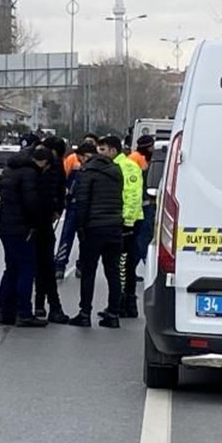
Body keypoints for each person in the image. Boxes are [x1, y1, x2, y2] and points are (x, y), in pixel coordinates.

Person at [71, 137, 125, 328]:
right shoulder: (116, 170)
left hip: (93, 228)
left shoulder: (88, 172)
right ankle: (113, 314)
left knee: (88, 272)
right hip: (114, 226)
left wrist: (80, 228)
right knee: (113, 271)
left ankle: (85, 313)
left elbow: (82, 203)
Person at [0, 145, 50, 327]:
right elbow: (31, 203)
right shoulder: (29, 174)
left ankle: (4, 310)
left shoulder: (9, 169)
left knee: (11, 268)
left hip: (5, 226)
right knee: (26, 269)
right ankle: (24, 312)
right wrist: (38, 223)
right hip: (23, 228)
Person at [33, 137, 68, 323]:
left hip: (43, 222)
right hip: (36, 223)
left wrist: (57, 209)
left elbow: (61, 189)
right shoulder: (35, 165)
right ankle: (48, 306)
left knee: (43, 266)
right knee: (43, 266)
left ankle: (41, 305)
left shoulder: (54, 166)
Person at [55, 134, 100, 279]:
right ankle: (60, 265)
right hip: (73, 204)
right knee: (67, 236)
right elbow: (62, 177)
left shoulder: (97, 164)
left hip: (89, 207)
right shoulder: (72, 159)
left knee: (85, 239)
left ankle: (82, 265)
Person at [110, 136, 145, 318]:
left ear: (113, 150)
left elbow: (132, 195)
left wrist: (127, 222)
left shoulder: (127, 166)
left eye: (103, 150)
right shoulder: (116, 166)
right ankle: (124, 303)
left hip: (129, 221)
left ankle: (125, 303)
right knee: (123, 263)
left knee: (124, 263)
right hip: (125, 220)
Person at [130, 134, 157, 268]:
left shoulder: (140, 157)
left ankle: (132, 268)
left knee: (140, 237)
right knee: (143, 236)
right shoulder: (137, 159)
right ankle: (147, 264)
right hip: (141, 204)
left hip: (142, 203)